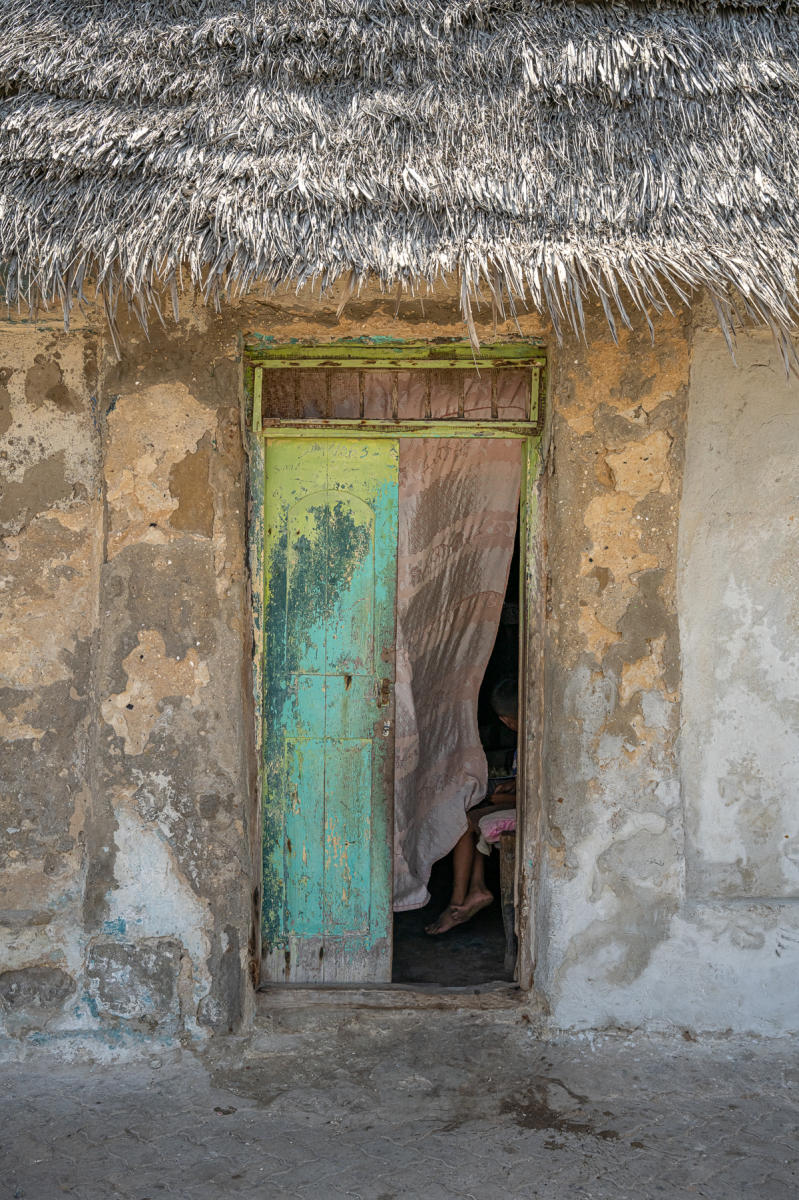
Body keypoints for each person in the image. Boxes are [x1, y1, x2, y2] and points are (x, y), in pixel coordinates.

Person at [425, 677, 518, 935]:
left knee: (465, 822)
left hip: (529, 810)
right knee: (474, 813)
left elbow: (540, 793)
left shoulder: (532, 741)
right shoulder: (529, 741)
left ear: (506, 721)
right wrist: (514, 784)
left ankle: (457, 902)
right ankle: (476, 888)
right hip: (521, 801)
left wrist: (509, 799)